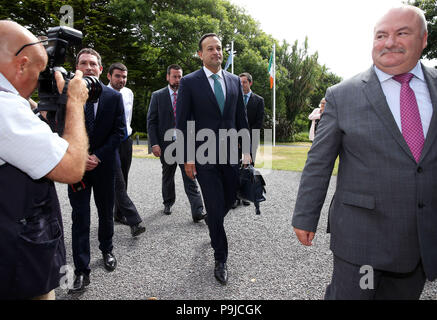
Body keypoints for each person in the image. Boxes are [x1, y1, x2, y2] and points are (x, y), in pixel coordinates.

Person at [292, 5, 437, 300]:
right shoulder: (342, 95)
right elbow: (319, 162)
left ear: (423, 39)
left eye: (402, 33)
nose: (389, 42)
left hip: (420, 240)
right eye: (381, 35)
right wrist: (306, 216)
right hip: (364, 241)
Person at [0, 20, 88, 299]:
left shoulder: (14, 105)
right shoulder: (6, 109)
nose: (41, 82)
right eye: (40, 73)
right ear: (22, 64)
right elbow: (73, 167)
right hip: (16, 260)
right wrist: (74, 103)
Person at [176, 33, 251, 285]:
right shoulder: (189, 82)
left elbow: (241, 118)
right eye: (210, 49)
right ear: (200, 54)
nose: (216, 52)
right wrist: (187, 156)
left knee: (229, 200)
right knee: (215, 205)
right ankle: (221, 258)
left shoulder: (233, 81)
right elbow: (183, 122)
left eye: (219, 48)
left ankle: (213, 221)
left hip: (230, 155)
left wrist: (248, 150)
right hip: (203, 155)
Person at [67, 48, 126, 293]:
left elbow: (120, 132)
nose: (89, 67)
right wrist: (80, 156)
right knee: (80, 217)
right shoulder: (67, 96)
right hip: (76, 168)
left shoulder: (113, 98)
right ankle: (81, 270)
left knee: (105, 211)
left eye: (93, 63)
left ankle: (107, 249)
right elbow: (59, 129)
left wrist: (97, 156)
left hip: (103, 166)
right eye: (84, 63)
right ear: (76, 68)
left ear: (101, 69)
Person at [147, 64, 205, 222]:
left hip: (185, 144)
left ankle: (198, 210)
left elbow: (195, 120)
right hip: (166, 144)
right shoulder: (157, 96)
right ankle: (168, 202)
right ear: (167, 77)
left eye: (180, 76)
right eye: (174, 76)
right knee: (168, 175)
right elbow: (151, 122)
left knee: (190, 175)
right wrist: (154, 144)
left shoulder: (189, 96)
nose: (178, 79)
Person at [107, 62, 146, 237]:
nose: (121, 80)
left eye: (124, 77)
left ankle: (118, 214)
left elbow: (127, 118)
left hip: (126, 141)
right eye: (117, 76)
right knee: (118, 182)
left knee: (124, 177)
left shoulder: (129, 93)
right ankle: (134, 221)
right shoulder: (101, 93)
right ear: (109, 76)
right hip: (110, 143)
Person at [233, 72, 265, 209]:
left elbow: (258, 123)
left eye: (244, 82)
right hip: (234, 139)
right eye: (239, 82)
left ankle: (246, 195)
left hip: (251, 139)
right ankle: (234, 196)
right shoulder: (233, 99)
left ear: (250, 83)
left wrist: (246, 141)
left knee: (248, 168)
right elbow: (232, 121)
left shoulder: (259, 100)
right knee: (234, 168)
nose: (241, 85)